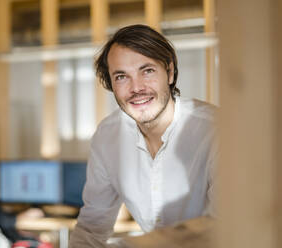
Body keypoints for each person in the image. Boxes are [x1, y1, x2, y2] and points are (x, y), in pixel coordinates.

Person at [69, 24, 217, 247]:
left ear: (169, 72)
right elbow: (92, 226)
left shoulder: (216, 130)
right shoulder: (107, 136)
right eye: (121, 77)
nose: (136, 87)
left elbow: (224, 225)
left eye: (147, 71)